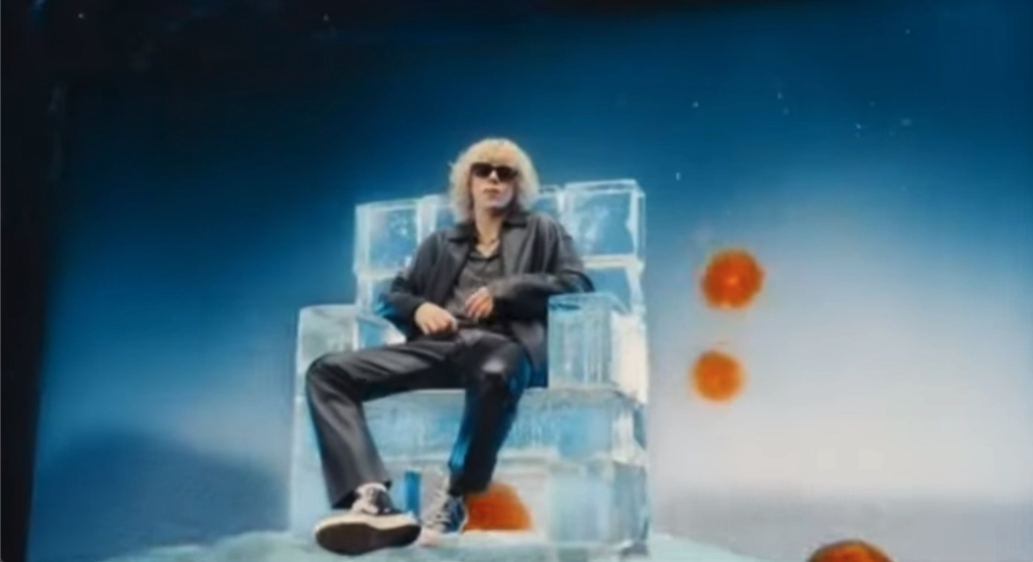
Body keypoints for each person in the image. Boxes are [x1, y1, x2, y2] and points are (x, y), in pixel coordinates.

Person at [305, 138, 593, 555]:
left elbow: (577, 284)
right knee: (327, 373)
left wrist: (507, 291)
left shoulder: (543, 230)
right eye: (483, 170)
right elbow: (391, 296)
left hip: (504, 345)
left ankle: (455, 495)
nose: (493, 178)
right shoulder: (440, 243)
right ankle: (370, 497)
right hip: (441, 346)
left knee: (496, 374)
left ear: (517, 184)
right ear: (467, 181)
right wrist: (419, 307)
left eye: (505, 172)